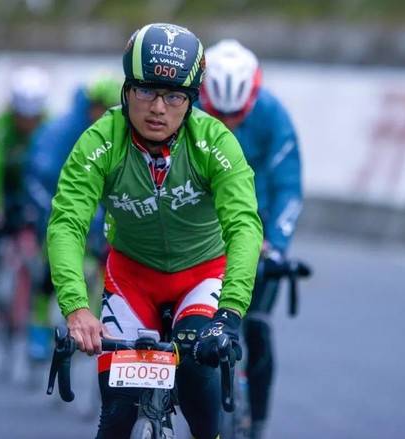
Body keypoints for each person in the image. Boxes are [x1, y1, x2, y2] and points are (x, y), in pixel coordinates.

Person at [47, 23, 263, 438]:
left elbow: (244, 227)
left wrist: (230, 314)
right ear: (126, 91)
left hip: (202, 275)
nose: (158, 108)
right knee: (117, 415)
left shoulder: (214, 142)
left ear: (191, 101)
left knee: (197, 374)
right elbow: (67, 223)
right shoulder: (100, 141)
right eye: (146, 91)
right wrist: (76, 308)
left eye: (174, 96)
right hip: (132, 278)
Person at [200, 39, 303, 439]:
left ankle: (257, 422)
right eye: (218, 115)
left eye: (237, 116)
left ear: (253, 97)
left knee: (256, 328)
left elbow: (287, 186)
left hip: (257, 231)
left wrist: (276, 244)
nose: (227, 124)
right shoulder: (186, 109)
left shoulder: (273, 115)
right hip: (203, 230)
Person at [22, 73, 122, 361]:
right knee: (47, 270)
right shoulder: (61, 130)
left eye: (108, 108)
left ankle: (101, 325)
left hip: (101, 215)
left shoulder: (121, 135)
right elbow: (42, 172)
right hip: (59, 204)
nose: (100, 114)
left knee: (106, 268)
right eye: (97, 107)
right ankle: (38, 327)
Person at [0, 66, 50, 352]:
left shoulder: (50, 126)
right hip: (7, 196)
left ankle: (37, 309)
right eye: (22, 116)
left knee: (46, 253)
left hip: (36, 196)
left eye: (32, 117)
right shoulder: (2, 126)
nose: (27, 123)